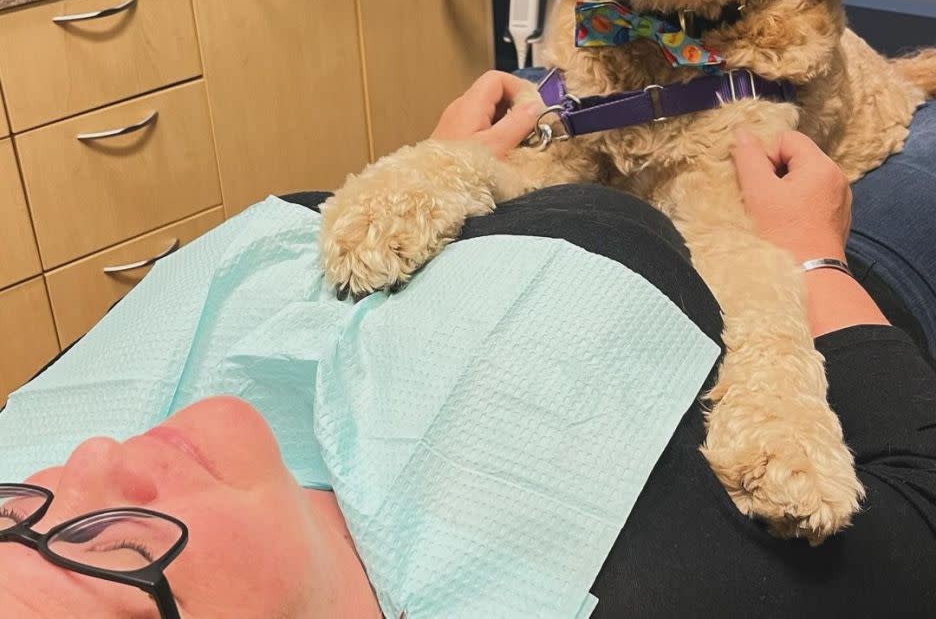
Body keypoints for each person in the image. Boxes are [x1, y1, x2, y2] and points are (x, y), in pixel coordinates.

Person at [2, 73, 935, 617]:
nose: (89, 459)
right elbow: (915, 508)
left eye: (14, 511)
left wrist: (446, 162)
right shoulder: (645, 587)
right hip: (825, 274)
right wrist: (818, 256)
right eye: (101, 547)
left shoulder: (54, 434)